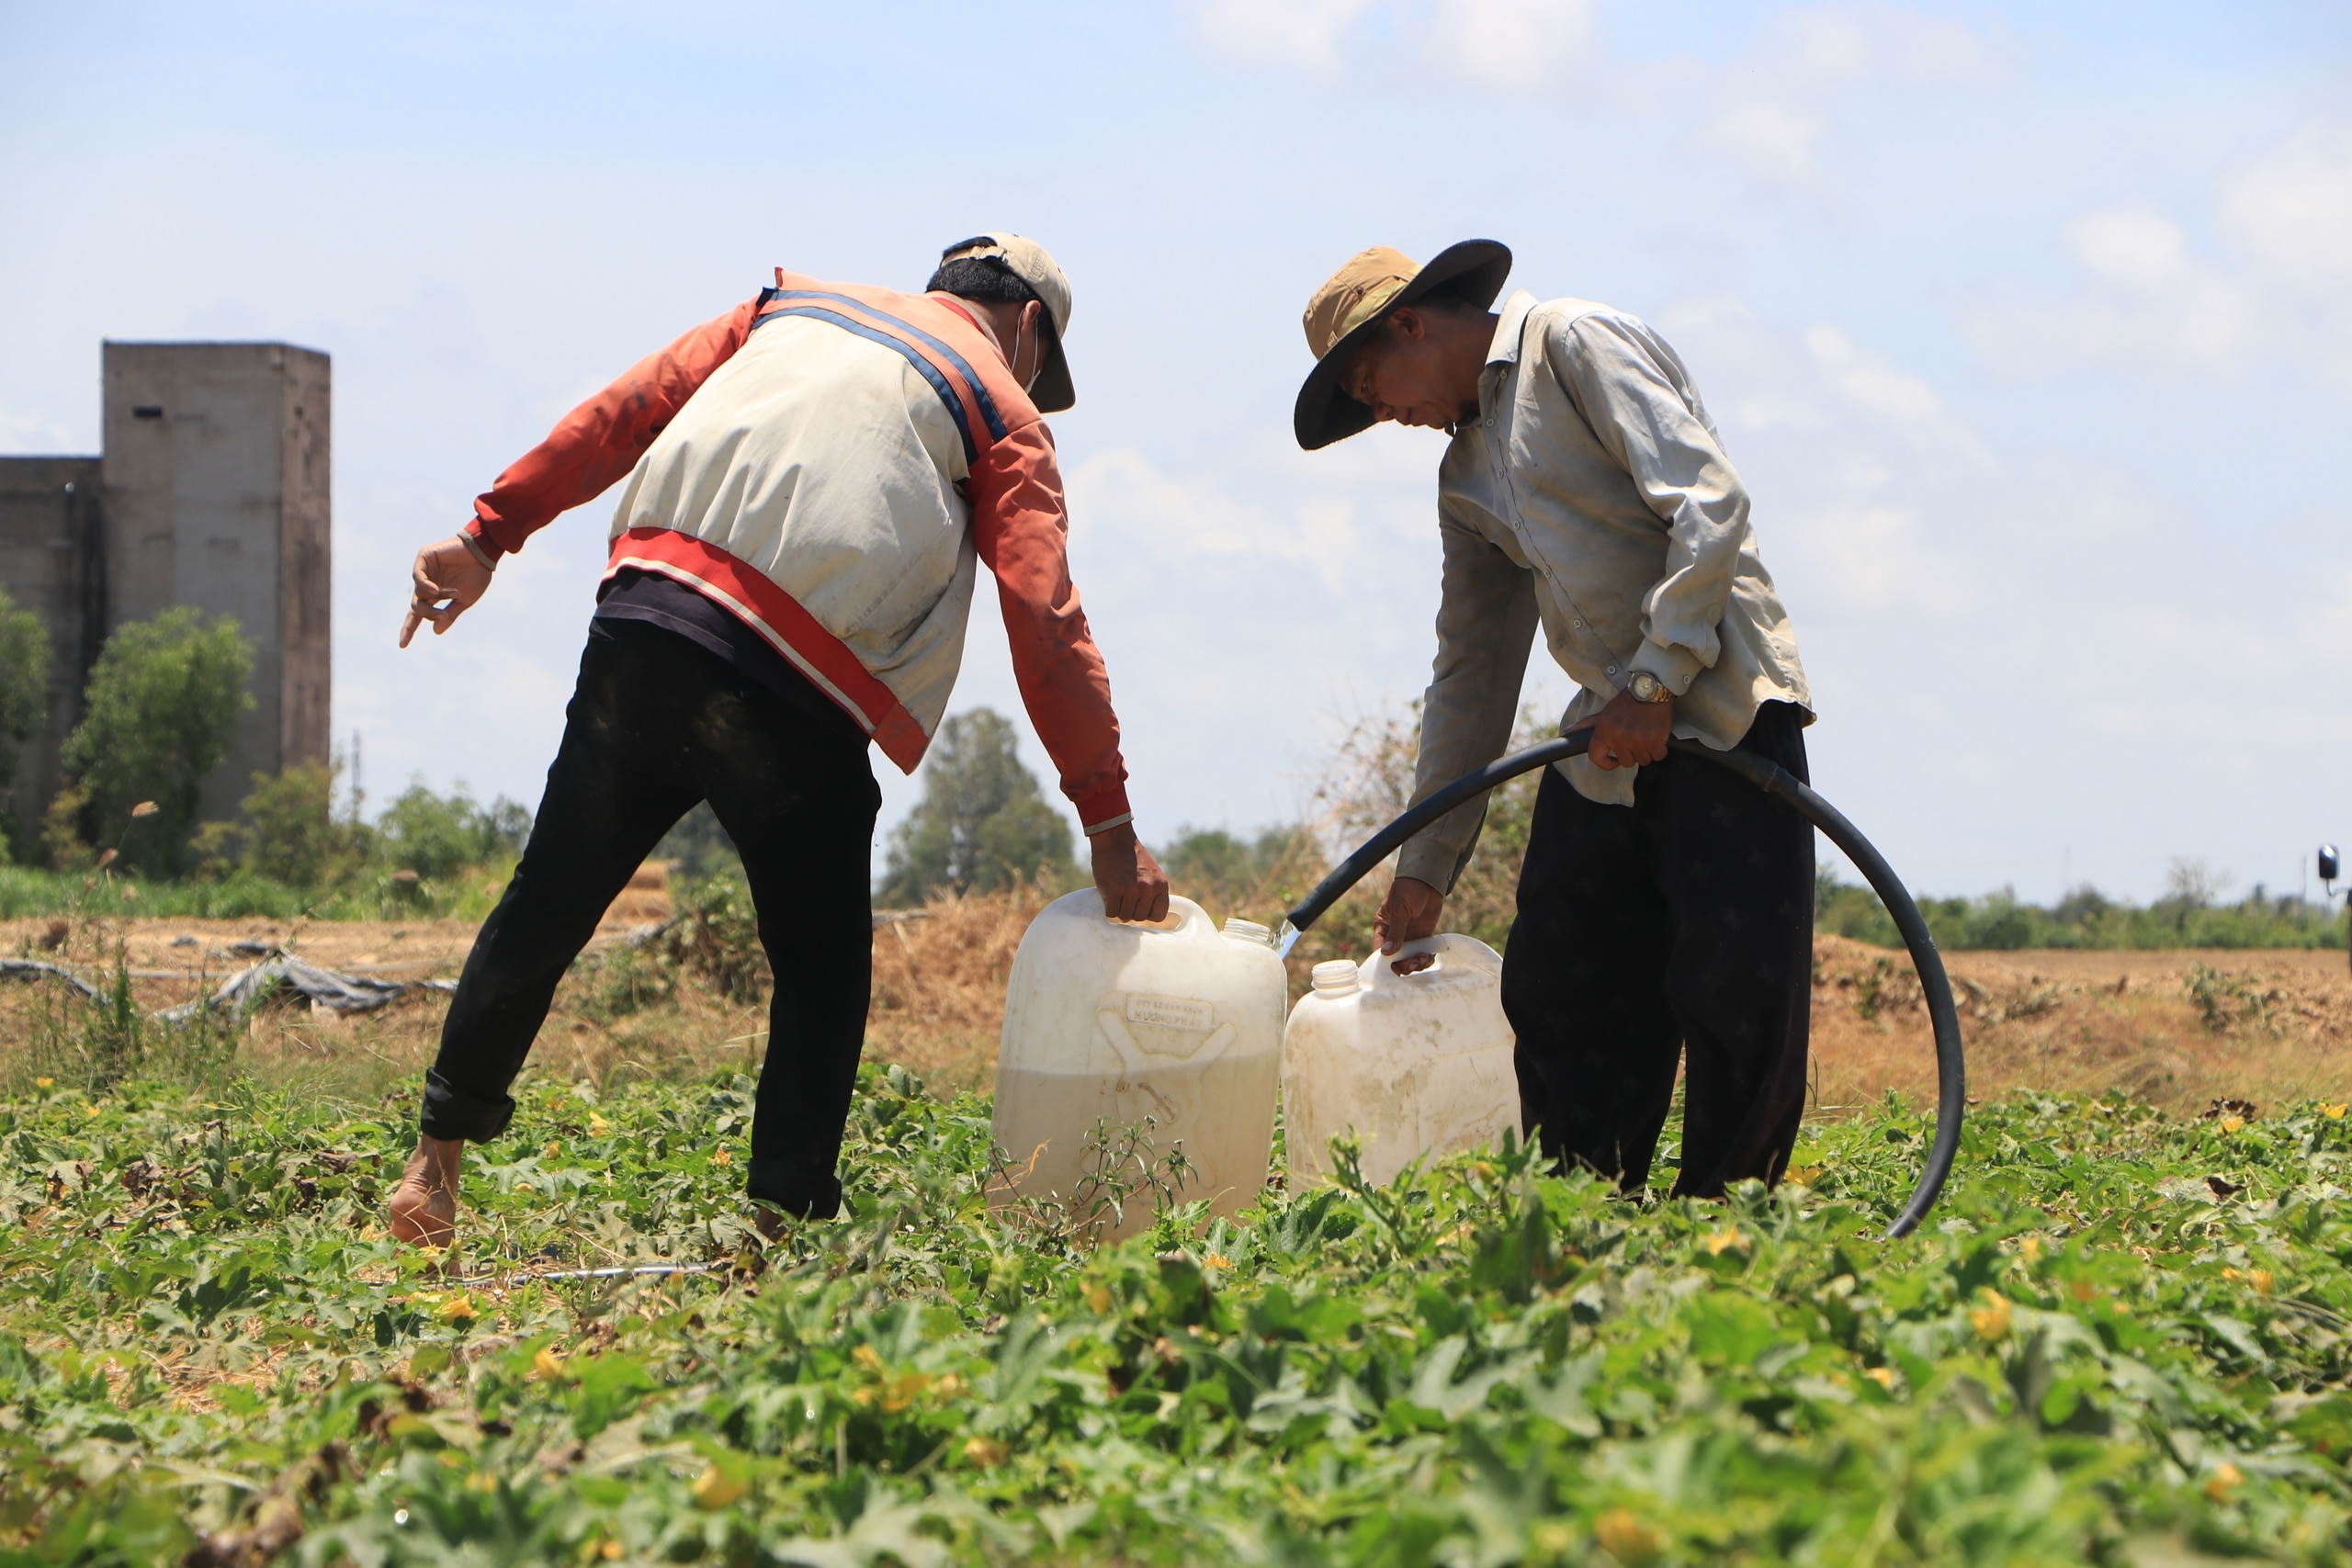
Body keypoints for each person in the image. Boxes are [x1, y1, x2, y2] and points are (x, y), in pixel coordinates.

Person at [388, 234, 1169, 1246]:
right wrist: (1108, 824)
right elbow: (1044, 619)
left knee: (548, 899)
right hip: (795, 685)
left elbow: (622, 413)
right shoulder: (1001, 410)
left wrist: (487, 533)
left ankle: (432, 1169)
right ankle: (778, 1223)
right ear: (1027, 328)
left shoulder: (785, 313)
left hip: (648, 621)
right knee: (820, 963)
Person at [1294, 241, 1815, 1199]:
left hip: (1725, 715)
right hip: (1605, 743)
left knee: (1735, 992)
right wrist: (1424, 865)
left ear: (1412, 324)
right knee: (1560, 980)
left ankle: (1729, 1230)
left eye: (1375, 389)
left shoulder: (1572, 344)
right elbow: (1472, 671)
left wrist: (1655, 684)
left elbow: (1708, 502)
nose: (1387, 418)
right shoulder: (1465, 478)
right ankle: (1580, 1217)